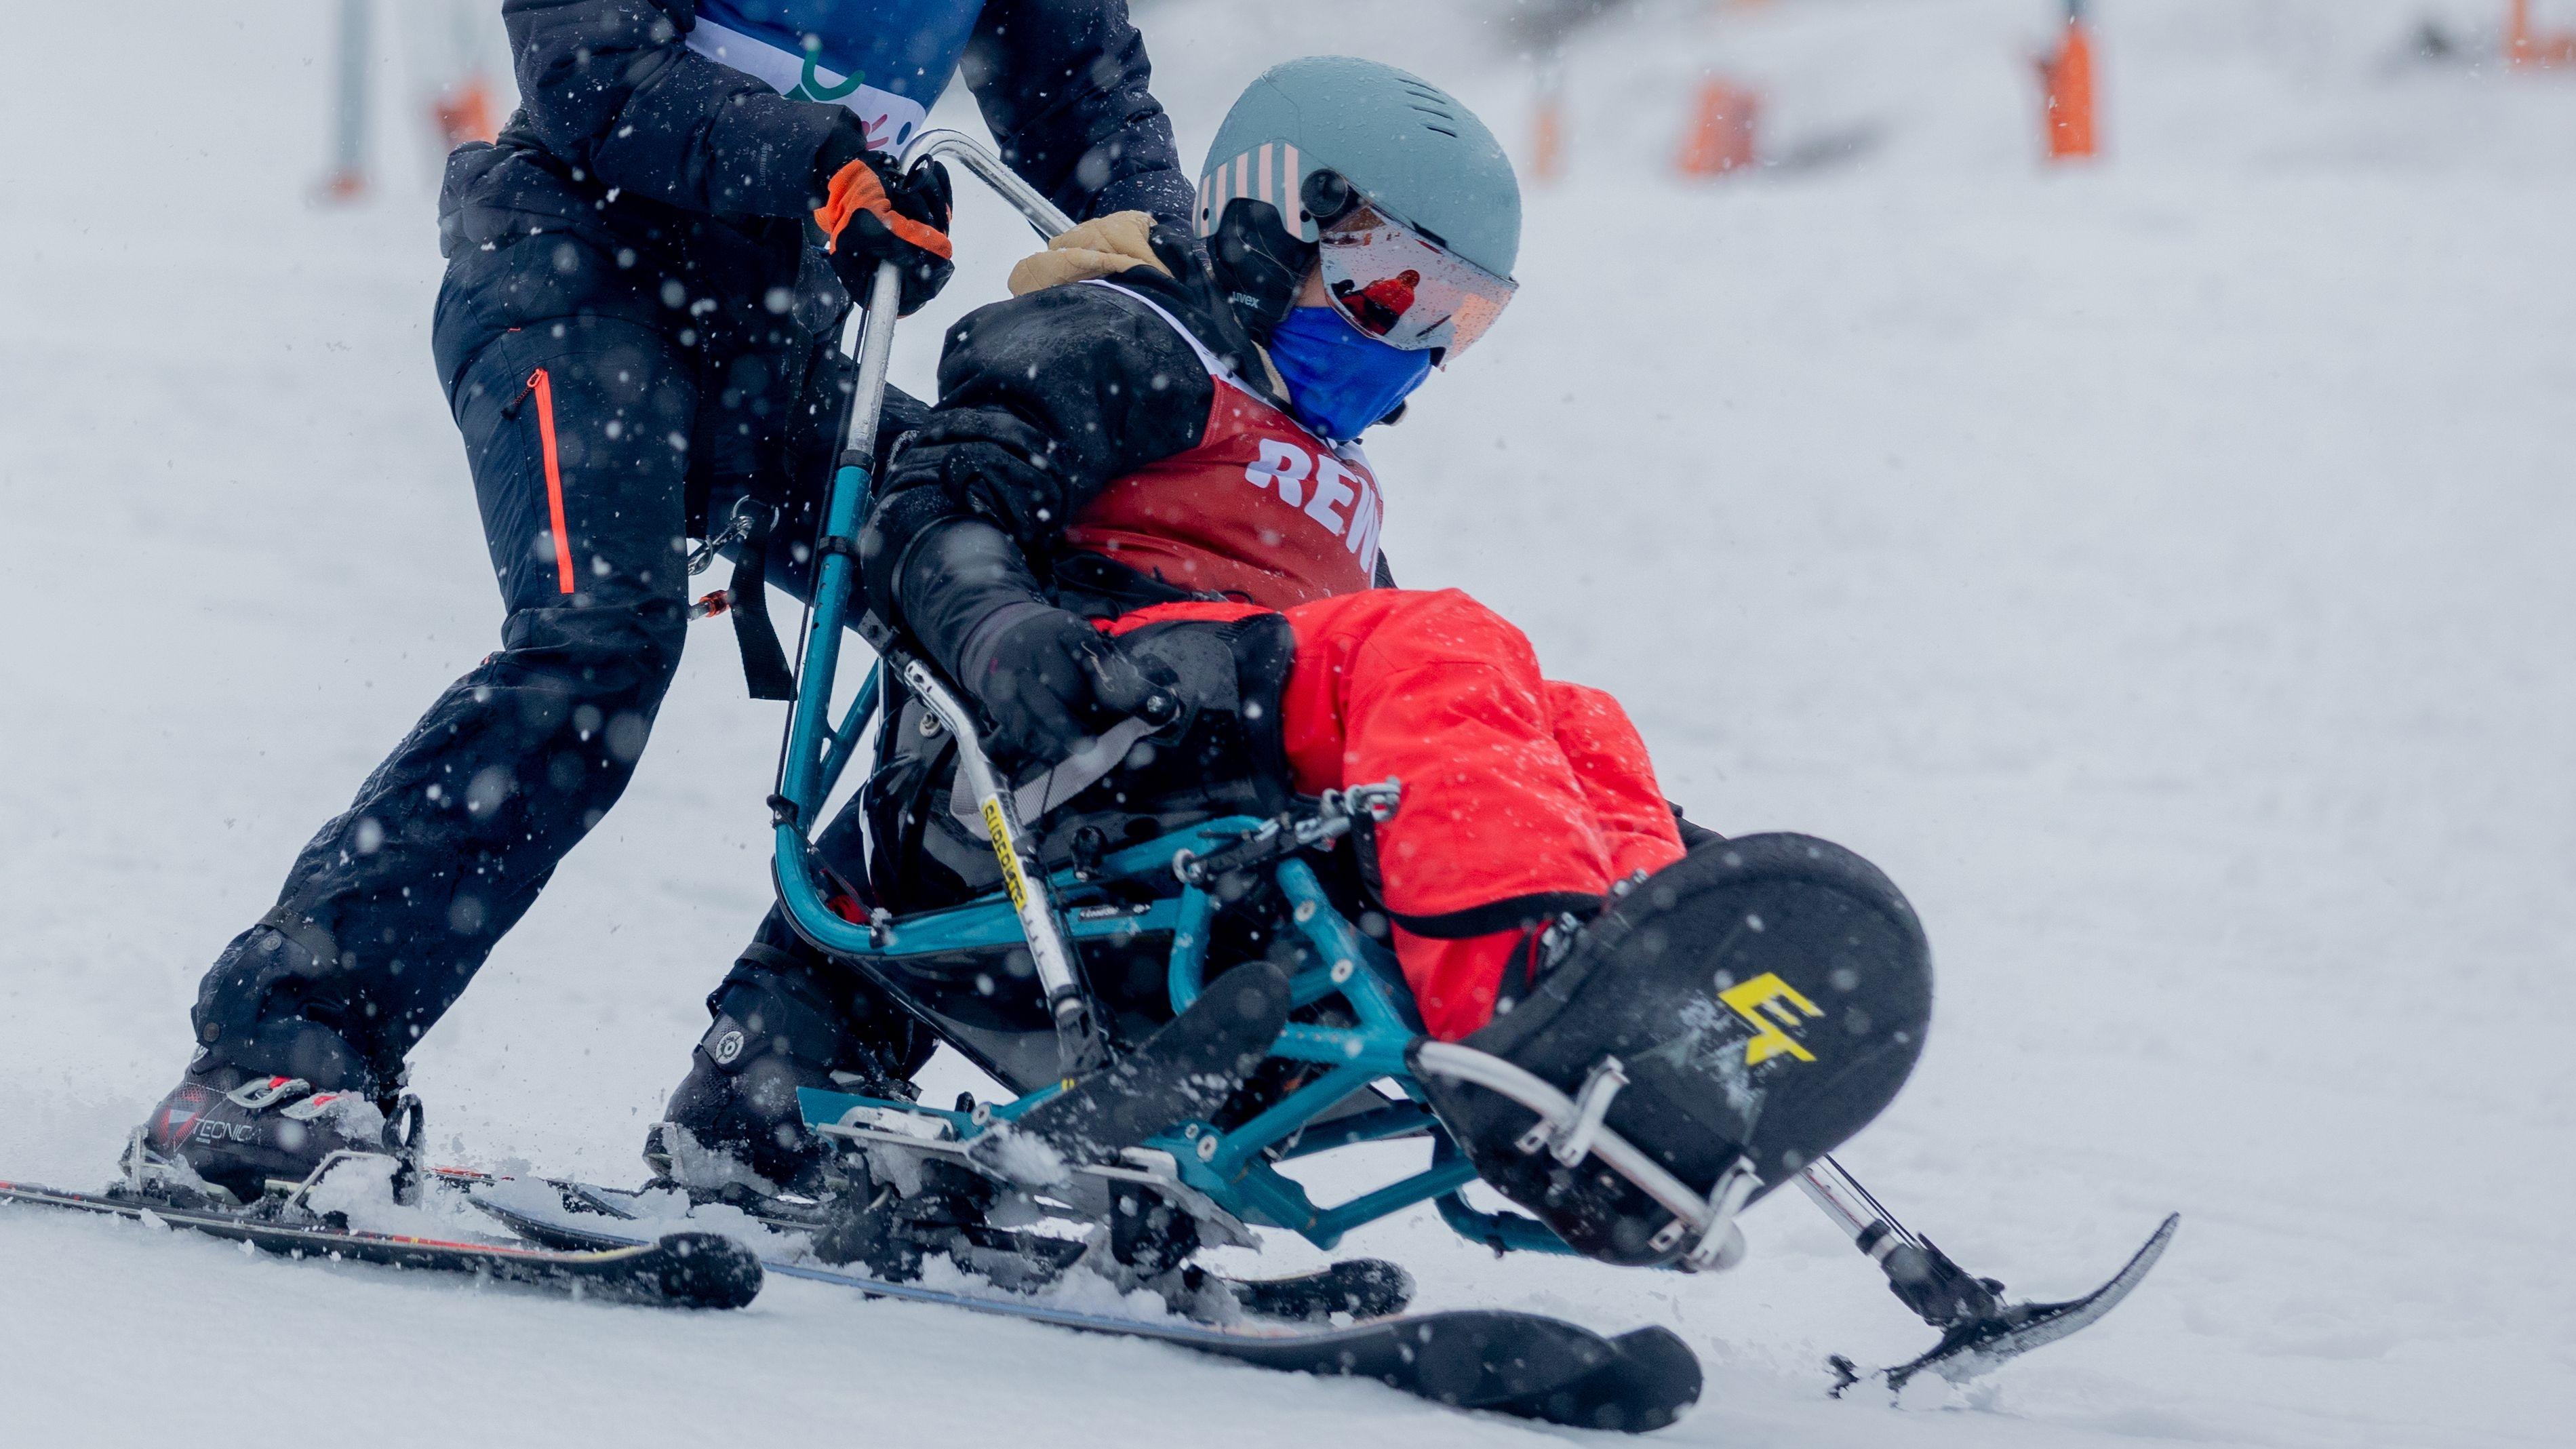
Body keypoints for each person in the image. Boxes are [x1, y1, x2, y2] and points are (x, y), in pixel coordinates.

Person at [816, 58, 1928, 1262]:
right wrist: (1000, 629)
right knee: (1449, 644)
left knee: (1572, 721)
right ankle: (1525, 1008)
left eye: (1457, 317)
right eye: (1391, 287)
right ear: (1267, 225)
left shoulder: (1336, 487)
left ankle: (1637, 1000)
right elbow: (936, 495)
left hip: (1238, 770)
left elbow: (1432, 724)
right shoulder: (1124, 336)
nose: (1419, 343)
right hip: (1080, 734)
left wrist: (1637, 834)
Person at [133, 0, 1199, 1206]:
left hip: (777, 343)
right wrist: (817, 156)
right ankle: (271, 1054)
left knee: (1012, 620)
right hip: (568, 270)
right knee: (602, 648)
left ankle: (780, 1079)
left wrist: (1197, 288)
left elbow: (1090, 116)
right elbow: (591, 69)